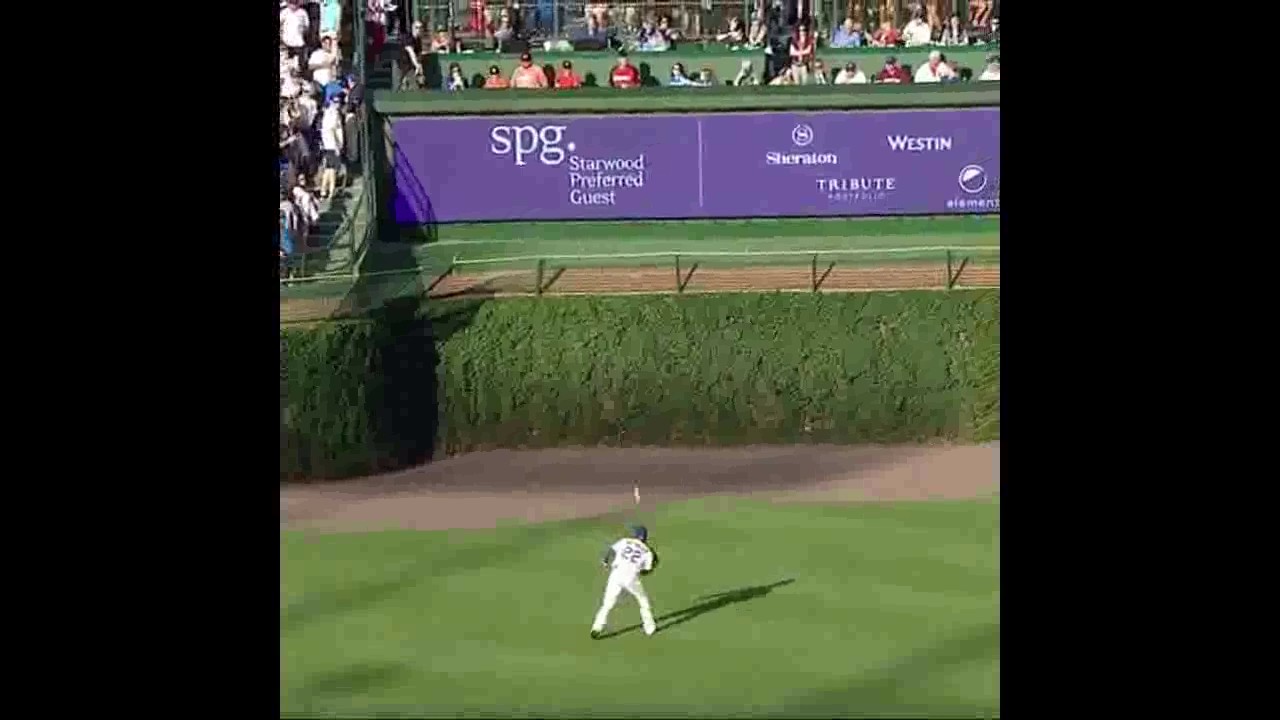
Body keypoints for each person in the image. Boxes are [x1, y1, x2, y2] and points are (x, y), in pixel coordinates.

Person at [590, 526, 658, 638]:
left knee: (607, 603)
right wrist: (643, 570)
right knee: (643, 600)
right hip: (631, 578)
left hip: (615, 574)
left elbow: (611, 550)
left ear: (636, 535)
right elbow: (647, 570)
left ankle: (597, 627)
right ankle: (649, 628)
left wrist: (605, 560)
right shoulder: (648, 552)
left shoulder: (625, 541)